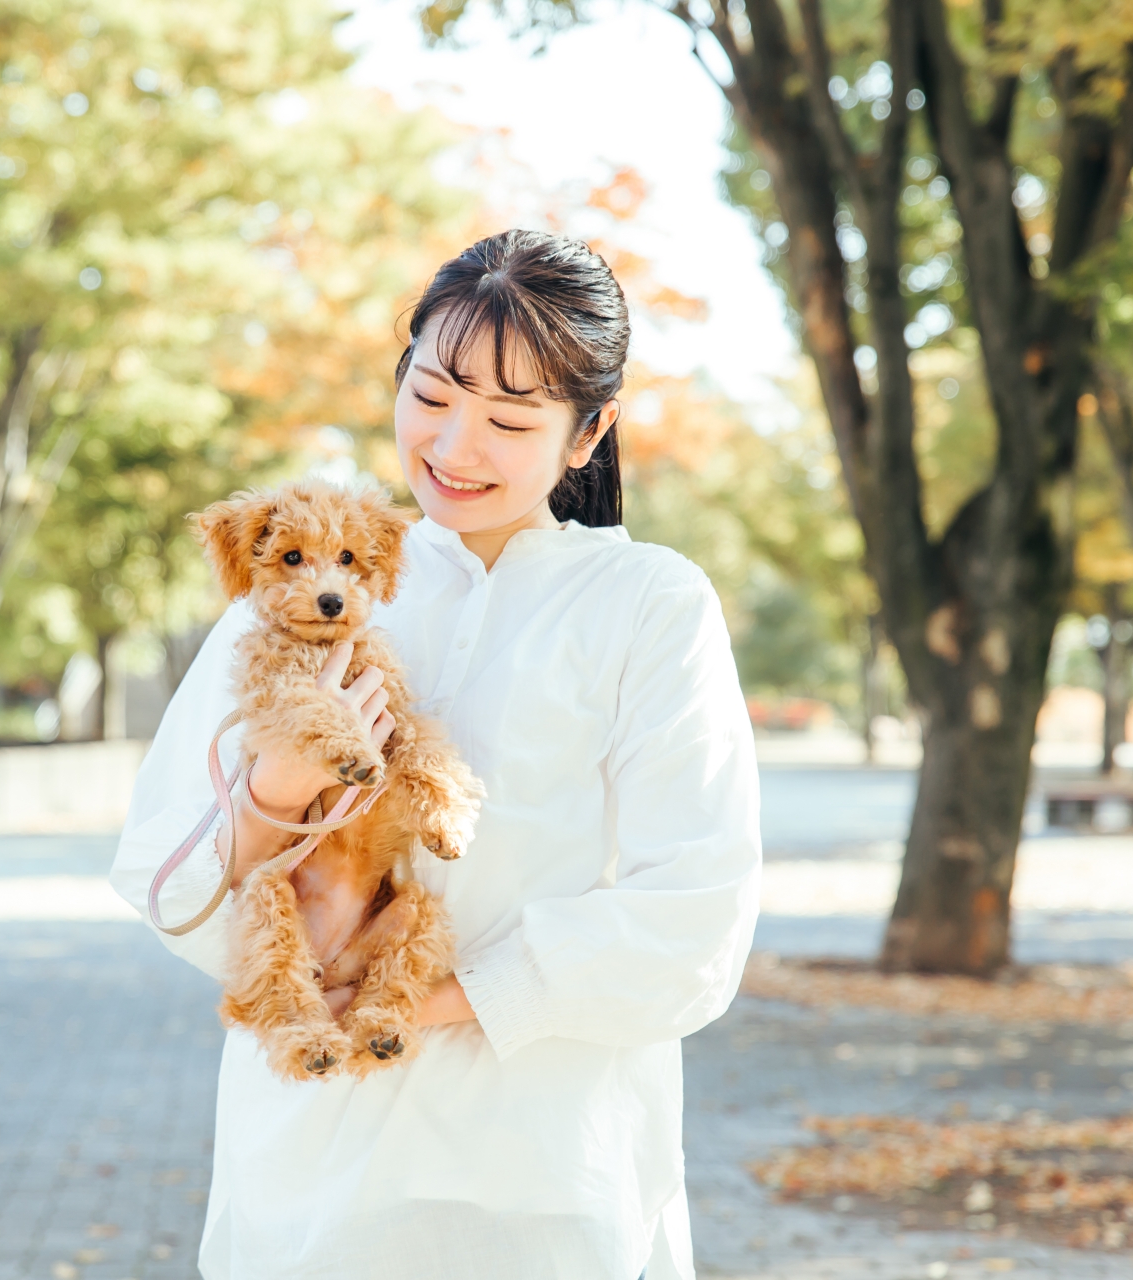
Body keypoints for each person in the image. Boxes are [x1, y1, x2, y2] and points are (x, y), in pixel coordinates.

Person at [109, 229, 762, 1280]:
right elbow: (160, 877)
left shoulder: (648, 605)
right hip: (308, 1179)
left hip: (545, 1178)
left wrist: (426, 1000)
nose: (456, 446)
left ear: (587, 432)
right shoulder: (309, 581)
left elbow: (693, 920)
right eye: (434, 393)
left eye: (510, 418)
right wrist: (275, 795)